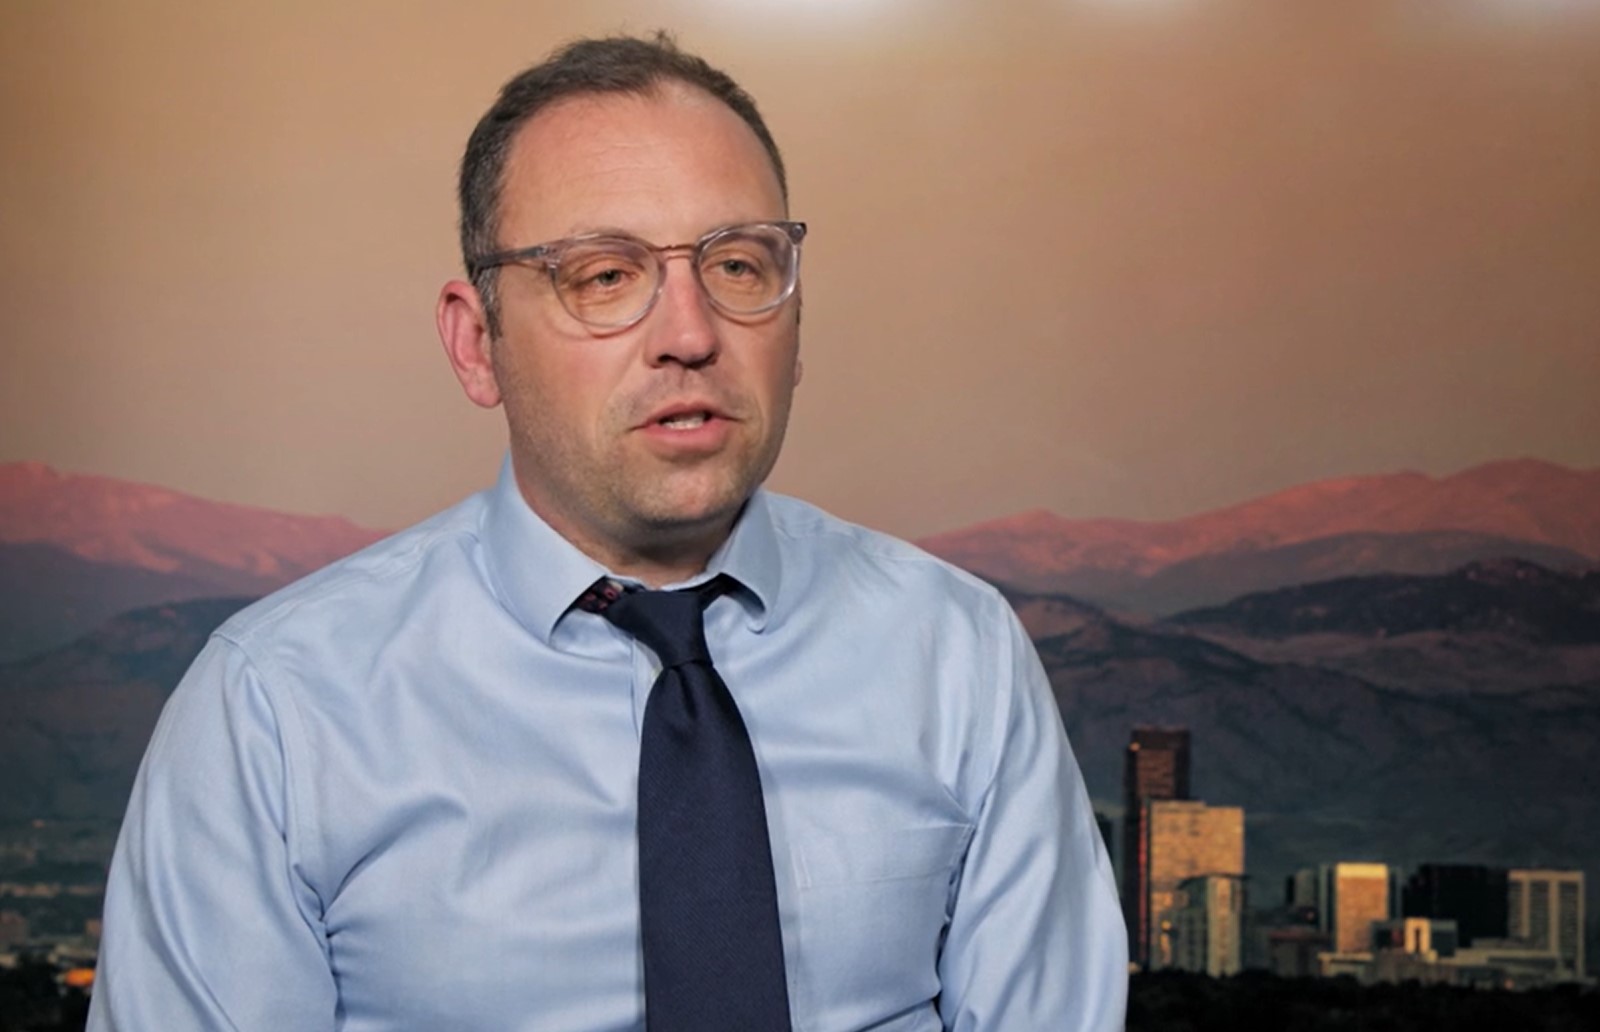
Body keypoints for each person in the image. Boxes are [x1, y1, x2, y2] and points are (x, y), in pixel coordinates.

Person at [89, 31, 1126, 1032]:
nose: (691, 335)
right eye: (603, 276)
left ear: (796, 321)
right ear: (477, 343)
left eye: (737, 266)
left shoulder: (956, 652)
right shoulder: (277, 709)